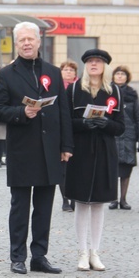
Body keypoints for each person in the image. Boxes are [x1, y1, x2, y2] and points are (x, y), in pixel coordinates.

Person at [0, 22, 73, 275]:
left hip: (50, 150)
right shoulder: (6, 74)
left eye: (31, 39)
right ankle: (18, 256)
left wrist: (66, 145)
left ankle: (40, 255)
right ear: (16, 45)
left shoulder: (53, 72)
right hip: (22, 149)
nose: (27, 43)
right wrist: (22, 112)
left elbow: (64, 112)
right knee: (20, 206)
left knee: (44, 206)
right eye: (21, 40)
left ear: (39, 41)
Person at [65, 50, 124, 271]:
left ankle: (95, 252)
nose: (94, 64)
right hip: (80, 151)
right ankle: (82, 251)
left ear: (105, 66)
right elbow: (66, 121)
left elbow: (121, 126)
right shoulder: (73, 90)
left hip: (105, 150)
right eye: (90, 61)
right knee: (81, 201)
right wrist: (83, 124)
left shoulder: (114, 91)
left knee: (99, 201)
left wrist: (106, 124)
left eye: (98, 62)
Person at [109, 65, 139, 210]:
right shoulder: (107, 92)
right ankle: (113, 199)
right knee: (112, 169)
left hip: (129, 136)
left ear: (127, 77)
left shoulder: (132, 94)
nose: (120, 76)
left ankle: (123, 199)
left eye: (122, 74)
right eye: (117, 74)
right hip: (112, 135)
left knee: (126, 170)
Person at [58, 59, 79, 211]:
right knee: (63, 169)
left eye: (71, 70)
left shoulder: (80, 88)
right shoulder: (56, 88)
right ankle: (65, 199)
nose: (68, 72)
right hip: (61, 132)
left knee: (76, 169)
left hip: (77, 132)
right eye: (65, 70)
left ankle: (75, 198)